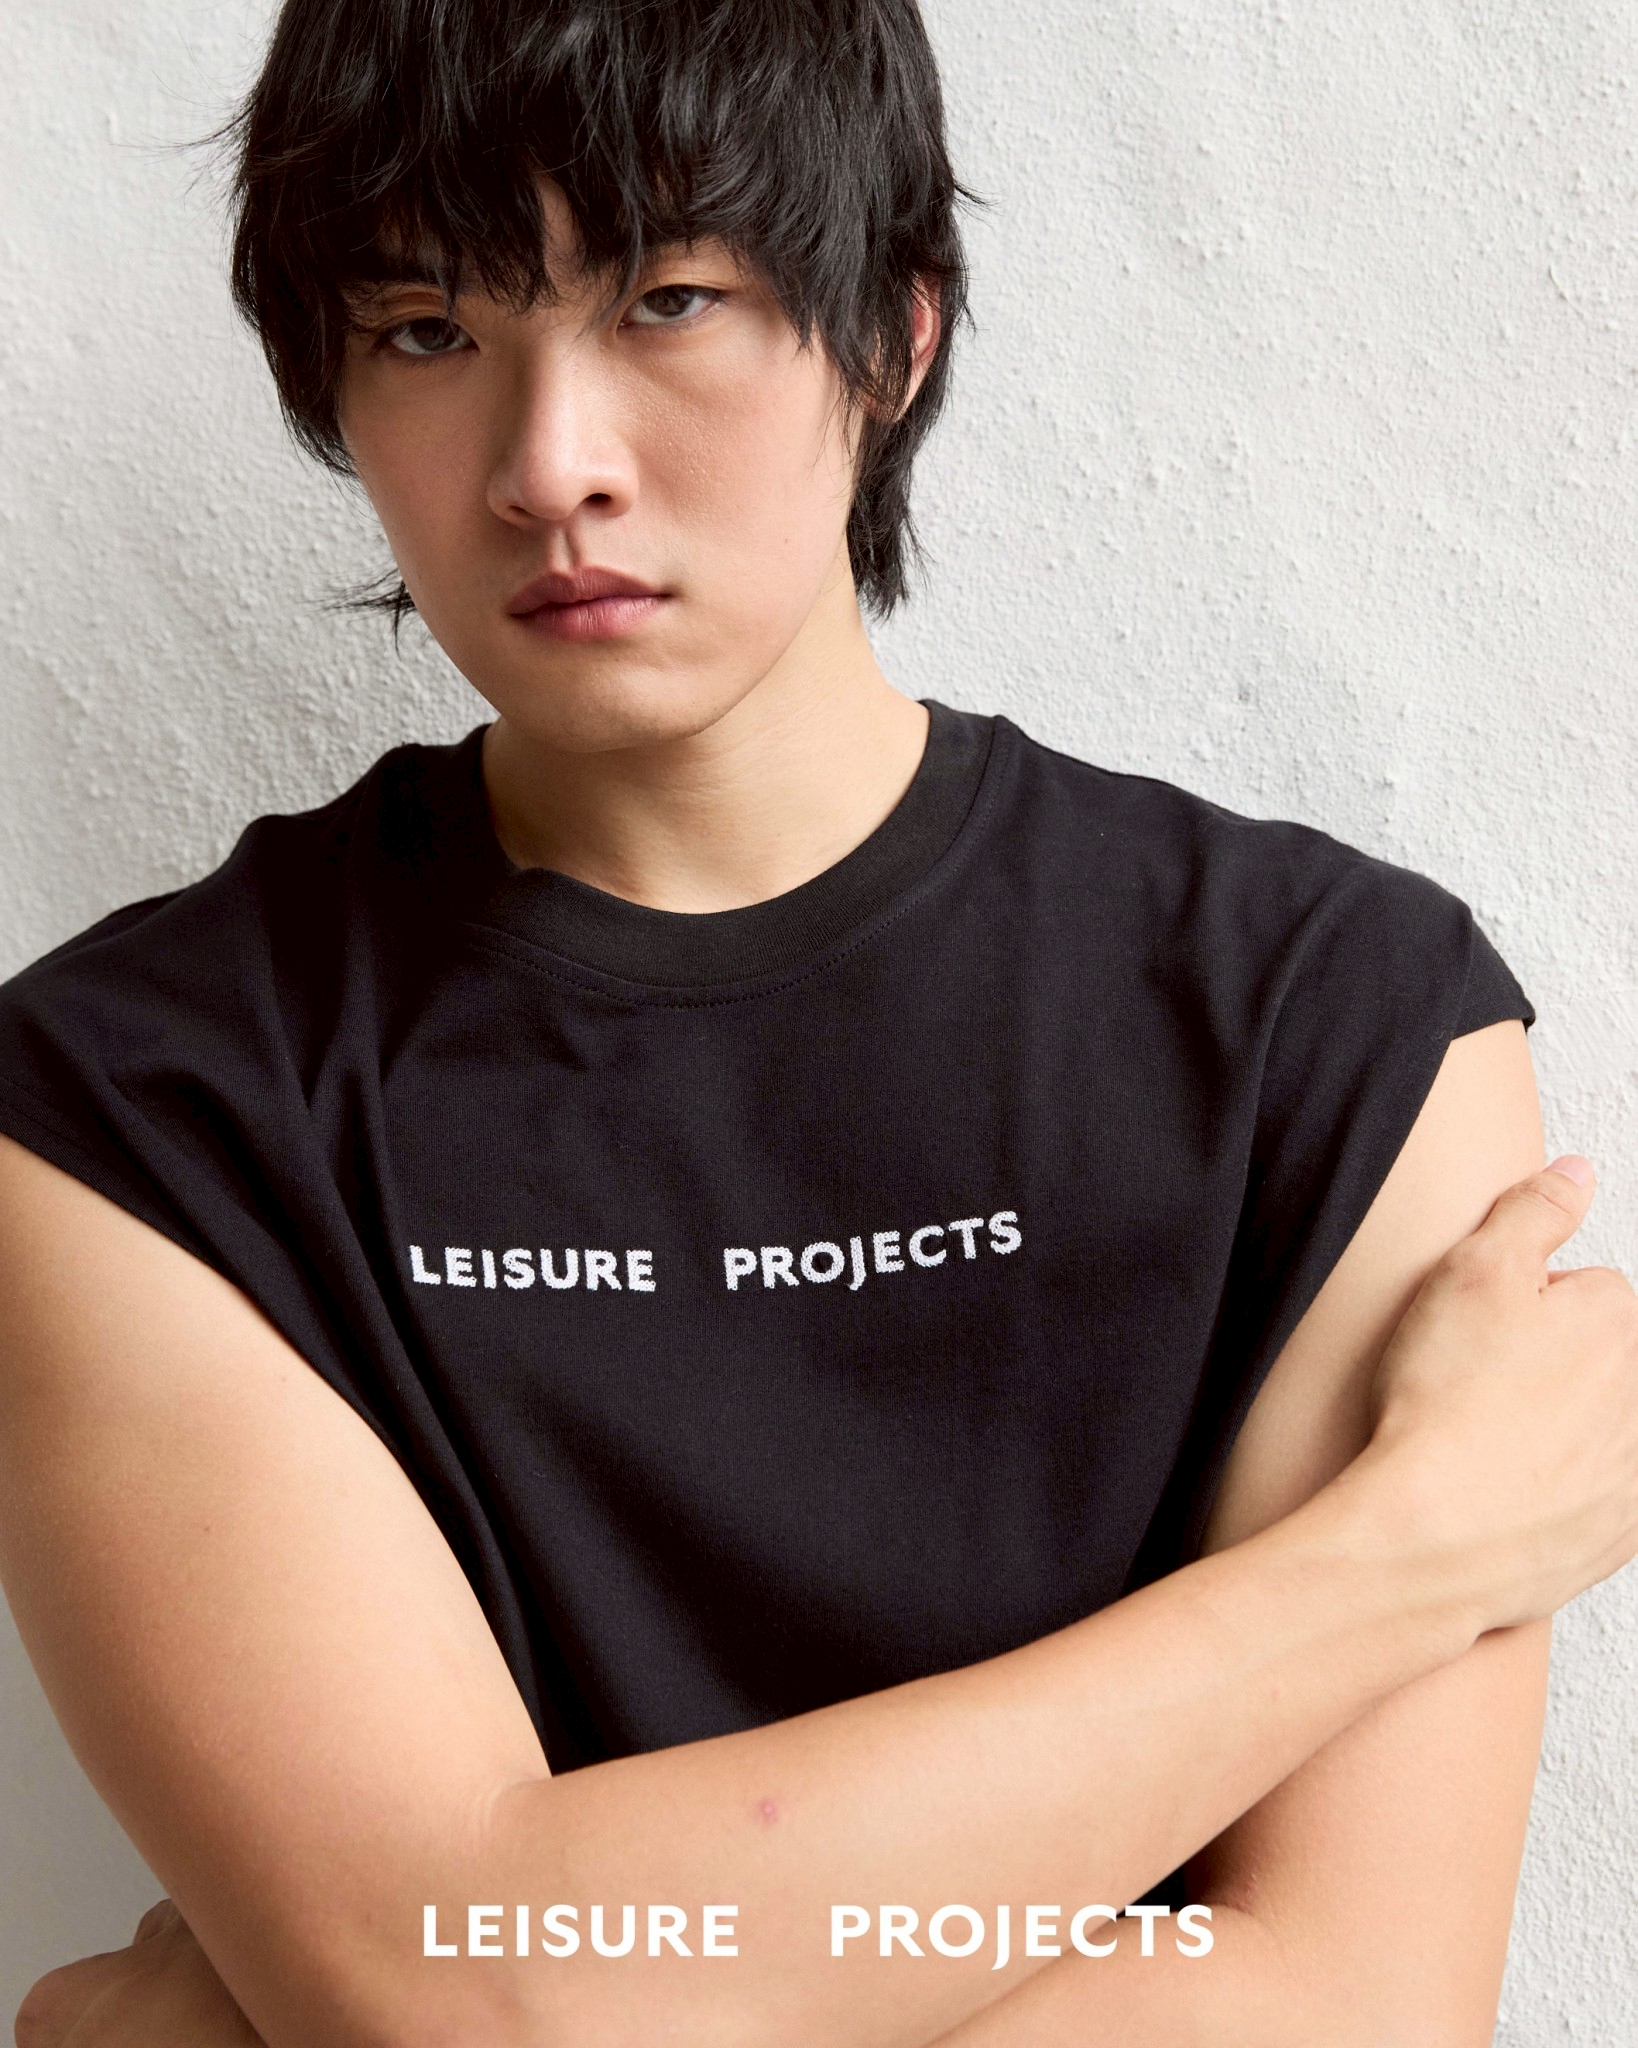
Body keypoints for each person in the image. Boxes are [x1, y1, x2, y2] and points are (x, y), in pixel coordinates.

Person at [2, 2, 1636, 2044]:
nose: (550, 464)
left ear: (892, 334)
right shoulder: (135, 1103)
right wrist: (1402, 1556)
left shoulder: (1333, 1022)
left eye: (668, 300)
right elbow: (469, 2006)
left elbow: (1353, 2005)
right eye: (426, 330)